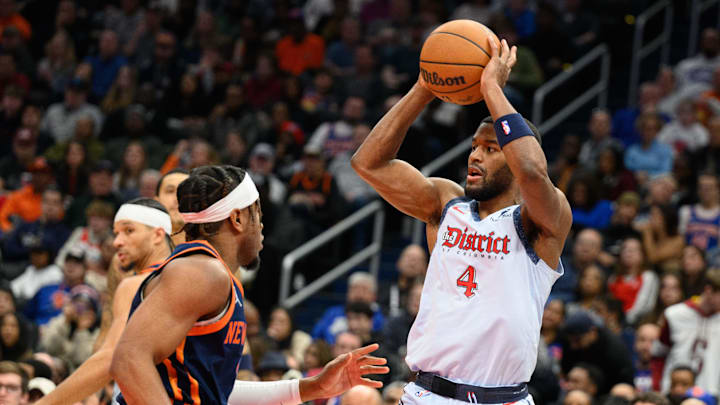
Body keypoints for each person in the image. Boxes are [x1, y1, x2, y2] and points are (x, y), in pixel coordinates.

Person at [352, 39, 571, 404]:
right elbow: (368, 163)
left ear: (515, 156)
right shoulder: (445, 205)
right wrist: (424, 88)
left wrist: (492, 89)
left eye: (491, 149)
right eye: (473, 146)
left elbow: (532, 171)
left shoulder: (540, 220)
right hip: (429, 393)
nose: (475, 156)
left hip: (505, 398)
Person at [110, 165, 388, 404]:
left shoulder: (213, 275)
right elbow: (129, 360)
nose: (263, 226)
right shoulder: (201, 272)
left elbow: (216, 390)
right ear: (238, 218)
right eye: (258, 214)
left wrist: (311, 388)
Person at [35, 198, 174, 405]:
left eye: (128, 231)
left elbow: (110, 358)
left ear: (157, 235)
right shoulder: (194, 275)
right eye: (116, 232)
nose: (116, 241)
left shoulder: (136, 285)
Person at [655, 268, 720, 396]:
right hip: (674, 390)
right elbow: (659, 354)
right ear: (709, 290)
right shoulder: (674, 314)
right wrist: (658, 386)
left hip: (709, 393)